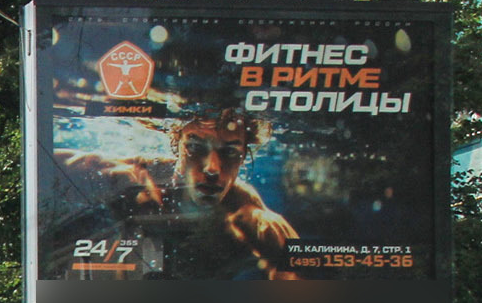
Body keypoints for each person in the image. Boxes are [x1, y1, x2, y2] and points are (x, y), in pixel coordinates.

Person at [49, 109, 300, 280]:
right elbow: (47, 160)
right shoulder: (131, 178)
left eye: (230, 152)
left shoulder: (254, 218)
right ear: (177, 146)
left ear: (244, 157)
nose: (212, 168)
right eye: (195, 147)